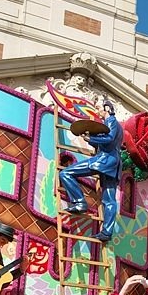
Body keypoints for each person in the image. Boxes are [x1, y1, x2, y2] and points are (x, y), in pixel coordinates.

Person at [58, 103, 122, 242]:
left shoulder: (111, 121)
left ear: (107, 110)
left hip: (104, 160)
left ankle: (80, 202)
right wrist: (92, 139)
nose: (98, 112)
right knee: (109, 199)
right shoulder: (115, 125)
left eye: (99, 109)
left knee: (65, 173)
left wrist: (90, 138)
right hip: (113, 163)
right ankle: (106, 232)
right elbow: (107, 142)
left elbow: (109, 138)